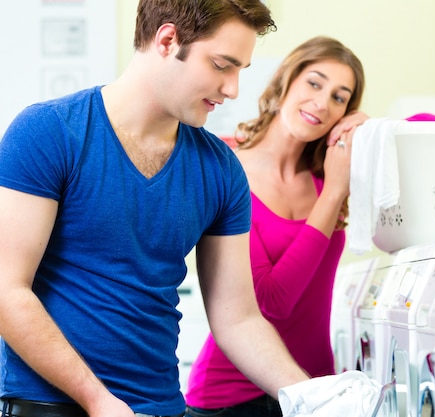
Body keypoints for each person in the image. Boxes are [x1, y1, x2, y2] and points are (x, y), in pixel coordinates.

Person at [0, 1, 313, 417]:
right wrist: (99, 402)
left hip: (161, 406)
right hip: (52, 404)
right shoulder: (49, 132)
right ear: (167, 41)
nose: (233, 88)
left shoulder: (221, 171)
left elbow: (238, 319)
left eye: (241, 70)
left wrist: (311, 396)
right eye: (222, 65)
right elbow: (7, 290)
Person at [185, 36, 367, 417]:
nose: (322, 102)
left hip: (315, 389)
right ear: (286, 80)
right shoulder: (226, 163)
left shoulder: (327, 170)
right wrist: (332, 196)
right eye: (314, 83)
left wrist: (369, 127)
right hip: (231, 399)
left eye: (340, 97)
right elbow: (272, 300)